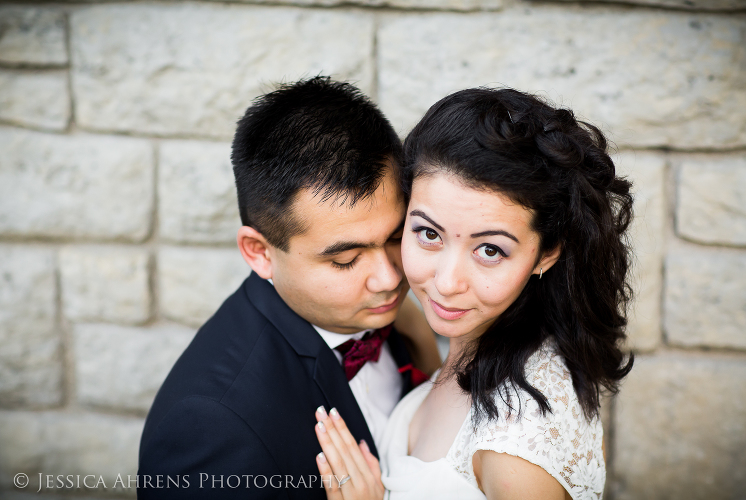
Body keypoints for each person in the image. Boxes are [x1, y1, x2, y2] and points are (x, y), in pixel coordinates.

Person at [312, 87, 635, 500]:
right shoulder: (476, 338)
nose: (447, 283)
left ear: (546, 253)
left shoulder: (517, 450)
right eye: (428, 234)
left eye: (490, 250)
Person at [138, 77, 440, 499]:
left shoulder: (401, 314)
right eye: (344, 259)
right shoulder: (211, 427)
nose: (390, 279)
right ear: (260, 252)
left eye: (396, 236)